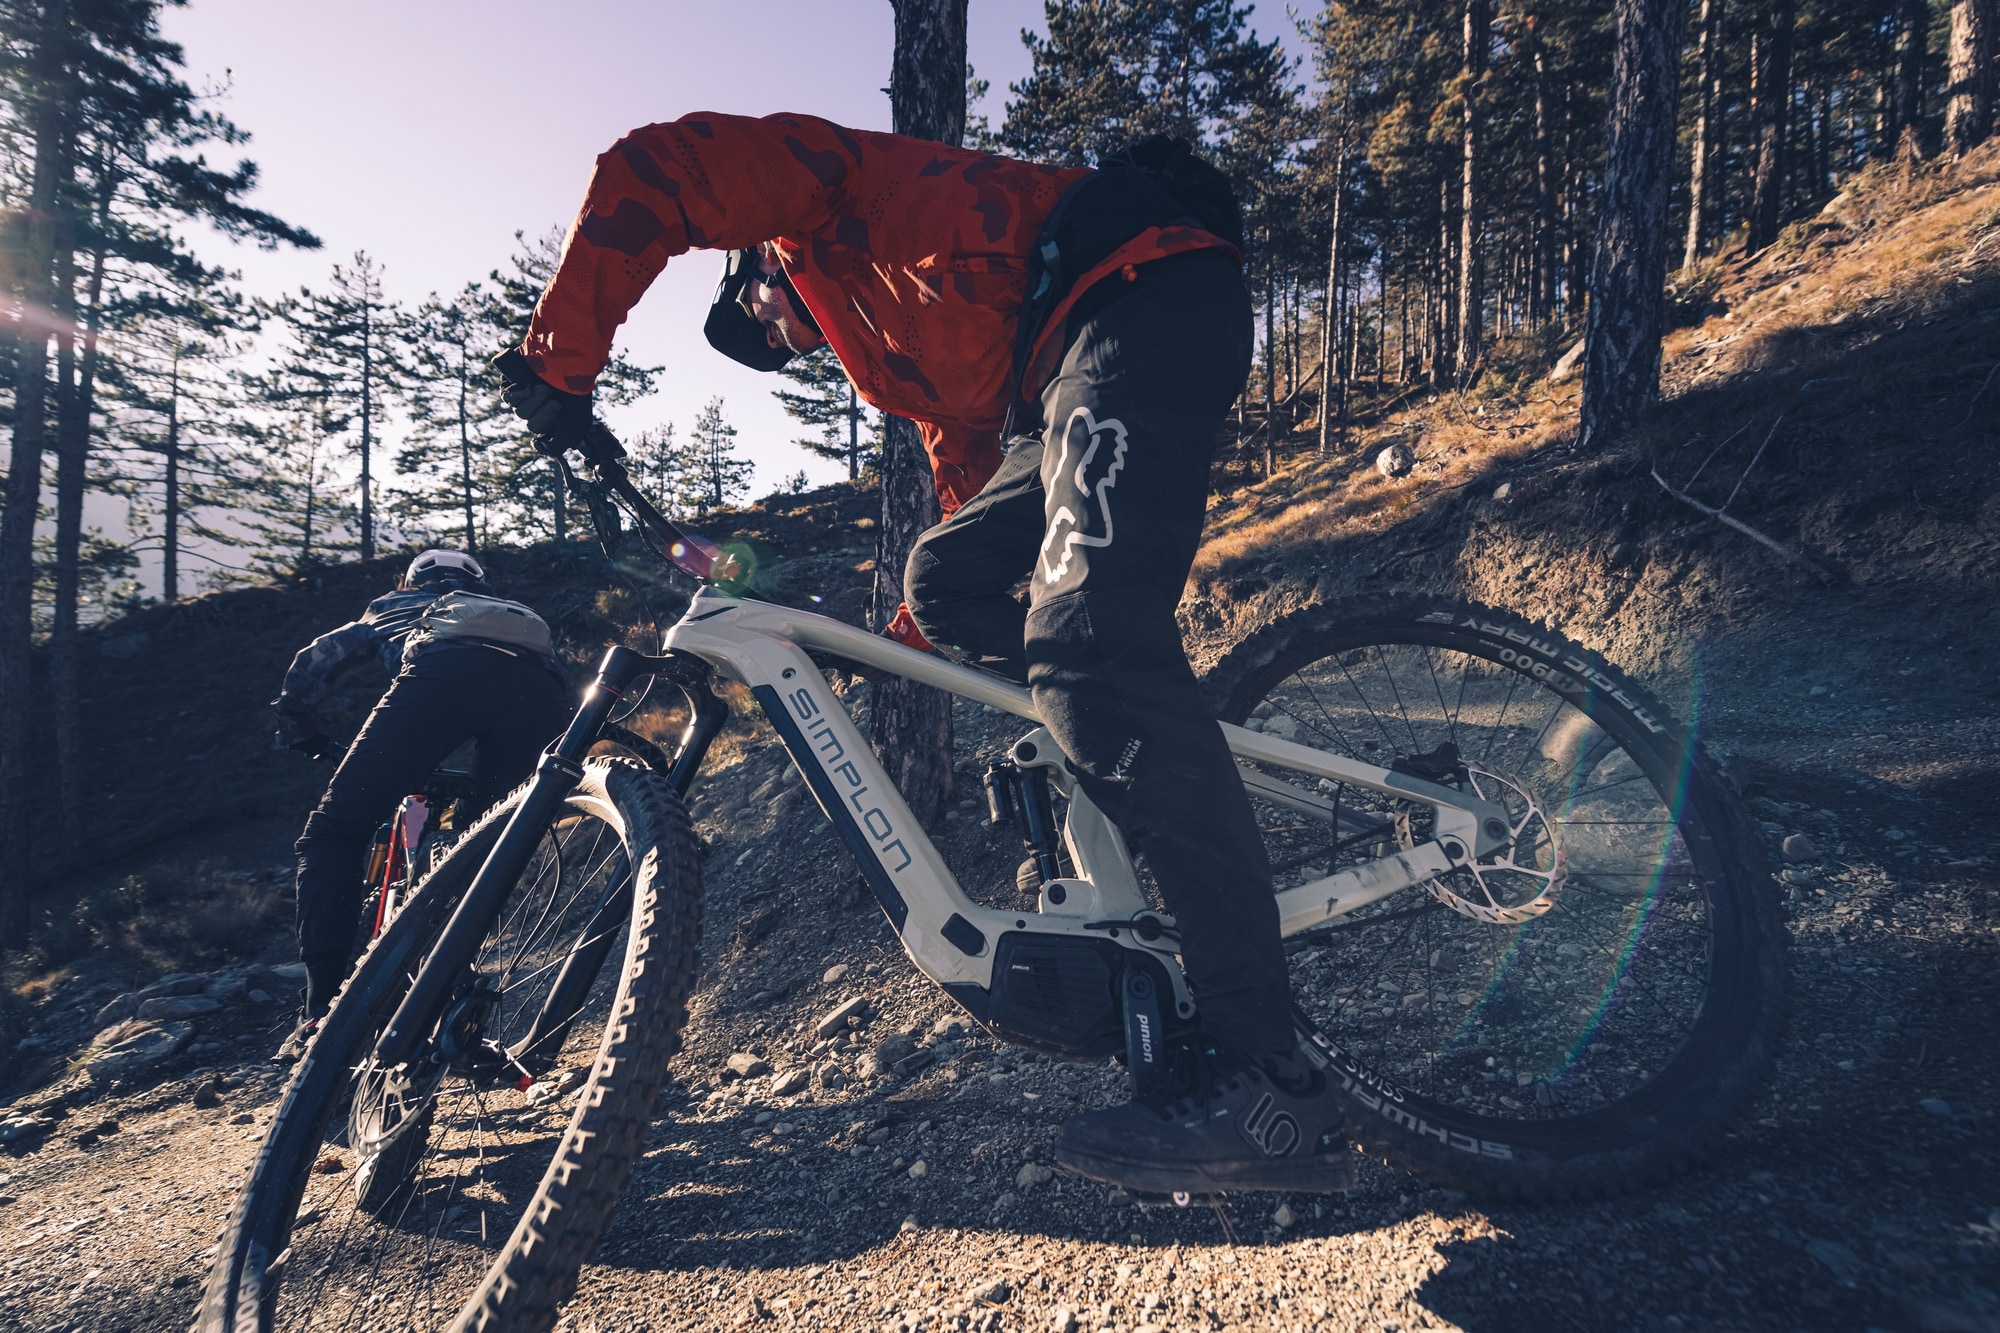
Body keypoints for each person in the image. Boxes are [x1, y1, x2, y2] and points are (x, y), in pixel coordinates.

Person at [498, 113, 1349, 1194]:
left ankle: (1262, 1077)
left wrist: (558, 364)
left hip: (1137, 301)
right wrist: (893, 648)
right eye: (779, 349)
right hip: (1056, 385)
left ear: (758, 257)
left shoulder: (825, 187)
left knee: (1087, 646)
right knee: (941, 583)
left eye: (759, 314)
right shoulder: (891, 359)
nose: (783, 337)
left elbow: (649, 169)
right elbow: (966, 470)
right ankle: (1115, 719)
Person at [270, 549, 571, 1062]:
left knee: (331, 836)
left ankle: (319, 1009)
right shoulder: (496, 610)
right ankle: (450, 982)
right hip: (542, 691)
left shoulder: (395, 605)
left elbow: (312, 663)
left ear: (410, 580)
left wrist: (299, 729)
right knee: (485, 850)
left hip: (442, 677)